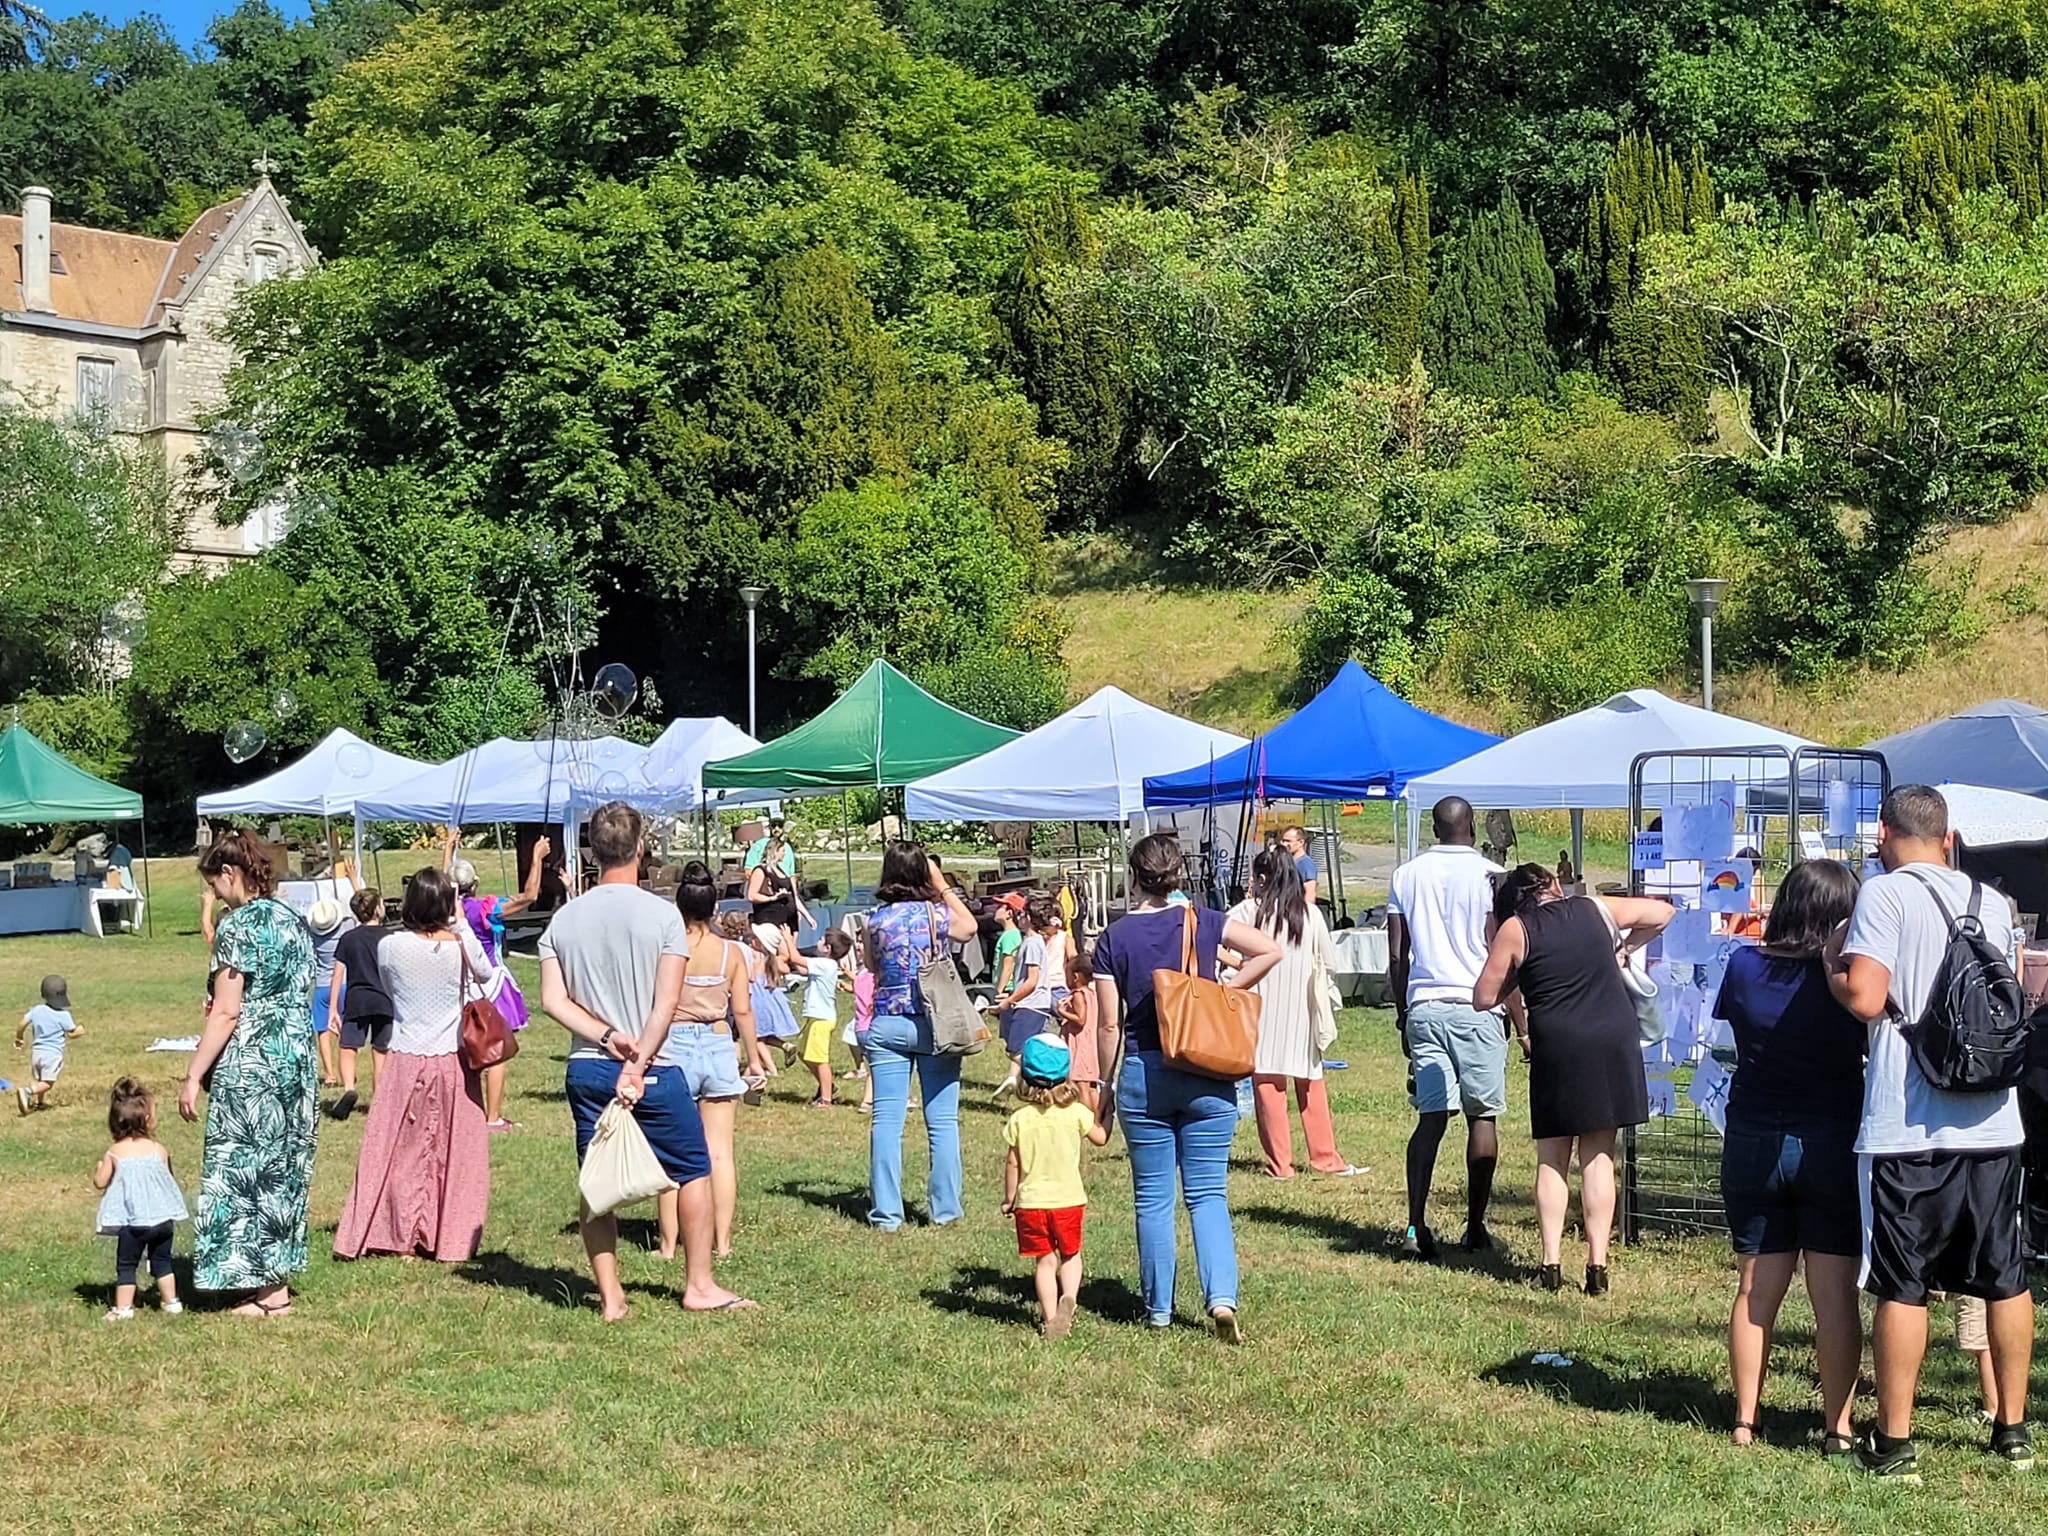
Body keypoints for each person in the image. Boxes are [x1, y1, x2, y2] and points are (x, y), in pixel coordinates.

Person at [1826, 784, 2034, 1478]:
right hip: (1993, 1120)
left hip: (1910, 1121)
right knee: (2004, 1277)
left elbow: (1866, 997)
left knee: (1902, 1283)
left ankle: (1895, 1441)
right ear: (1948, 838)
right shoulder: (1990, 903)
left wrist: (1834, 971)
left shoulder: (1883, 895)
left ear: (1883, 834)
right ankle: (2013, 1428)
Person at [538, 801, 751, 1320]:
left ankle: (611, 1299)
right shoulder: (662, 917)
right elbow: (665, 1003)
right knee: (693, 1169)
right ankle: (698, 1283)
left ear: (592, 850)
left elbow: (553, 1000)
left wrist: (605, 1034)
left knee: (597, 1180)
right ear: (640, 849)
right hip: (656, 1066)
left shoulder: (563, 919)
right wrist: (636, 1062)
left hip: (587, 1065)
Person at [1092, 833, 1281, 1341]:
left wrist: (1103, 1089)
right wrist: (1223, 989)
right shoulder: (1207, 921)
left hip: (1142, 1073)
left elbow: (1109, 1026)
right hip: (1205, 1068)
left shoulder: (1114, 938)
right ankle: (1220, 1298)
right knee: (1208, 1196)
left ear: (1134, 876)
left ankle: (1157, 1310)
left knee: (1152, 1199)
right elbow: (1269, 951)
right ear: (1180, 874)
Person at [1711, 857, 1866, 1455]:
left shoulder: (1744, 964)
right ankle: (1838, 1426)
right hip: (1830, 1136)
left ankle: (1745, 1419)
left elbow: (1734, 1025)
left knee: (1755, 1290)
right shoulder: (1847, 979)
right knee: (1834, 1296)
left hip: (1752, 1134)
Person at [1473, 864, 1672, 1295]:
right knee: (1599, 1157)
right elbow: (1662, 913)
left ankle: (1551, 1262)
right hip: (1612, 1037)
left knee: (1553, 1157)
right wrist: (1623, 949)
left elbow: (1484, 996)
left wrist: (1518, 972)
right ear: (1554, 887)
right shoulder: (1595, 909)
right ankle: (1597, 1264)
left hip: (1559, 1042)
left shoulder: (1515, 929)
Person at [179, 830, 318, 1318]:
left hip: (253, 1061)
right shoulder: (292, 919)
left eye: (215, 885)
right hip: (297, 1058)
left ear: (230, 874)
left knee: (244, 1169)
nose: (215, 895)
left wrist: (193, 1074)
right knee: (284, 1169)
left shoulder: (238, 928)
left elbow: (226, 1012)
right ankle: (273, 1285)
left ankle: (261, 1285)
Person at [332, 866, 494, 1263]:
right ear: (446, 903)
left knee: (397, 1149)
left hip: (404, 1053)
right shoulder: (459, 946)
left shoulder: (391, 946)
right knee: (452, 1152)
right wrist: (461, 925)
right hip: (451, 1057)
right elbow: (486, 973)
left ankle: (394, 1231)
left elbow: (391, 986)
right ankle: (448, 1236)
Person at [1387, 797, 1508, 1259]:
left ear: (1435, 828)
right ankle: (1475, 1226)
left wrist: (1403, 1012)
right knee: (1482, 1117)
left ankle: (1416, 1225)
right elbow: (1498, 947)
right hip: (1477, 1005)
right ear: (1472, 825)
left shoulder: (1407, 874)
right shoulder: (1488, 876)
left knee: (1431, 1118)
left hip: (1425, 1004)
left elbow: (1399, 953)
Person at [864, 840, 980, 1232]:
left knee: (886, 1121)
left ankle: (887, 1213)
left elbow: (870, 964)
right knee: (942, 1121)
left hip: (888, 1022)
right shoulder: (937, 915)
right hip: (936, 1024)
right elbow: (971, 927)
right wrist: (940, 881)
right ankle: (945, 1210)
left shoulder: (876, 920)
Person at [655, 861, 769, 1260]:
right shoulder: (732, 953)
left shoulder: (669, 948)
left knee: (670, 1150)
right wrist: (754, 1060)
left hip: (674, 1045)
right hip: (719, 1043)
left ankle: (669, 1244)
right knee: (720, 1152)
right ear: (715, 907)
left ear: (679, 907)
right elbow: (744, 1011)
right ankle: (722, 1243)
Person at [1227, 850, 1357, 1181]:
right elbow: (1330, 963)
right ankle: (1325, 1157)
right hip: (1302, 1012)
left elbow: (1214, 938)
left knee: (1269, 1086)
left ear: (1259, 880)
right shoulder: (1310, 914)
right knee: (1311, 1084)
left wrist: (1236, 967)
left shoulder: (1247, 912)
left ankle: (1280, 1165)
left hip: (1261, 1013)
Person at [1001, 1033, 1109, 1340]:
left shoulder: (1020, 1119)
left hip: (1031, 1203)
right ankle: (1070, 1300)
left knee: (1045, 1262)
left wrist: (1010, 1199)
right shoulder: (1075, 1113)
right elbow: (1101, 1138)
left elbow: (1013, 1164)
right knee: (1070, 1255)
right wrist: (1108, 1113)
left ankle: (1050, 1320)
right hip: (1068, 1200)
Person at [451, 838, 550, 1131]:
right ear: (476, 883)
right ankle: (492, 1117)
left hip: (459, 982)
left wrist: (448, 845)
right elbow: (529, 895)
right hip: (490, 982)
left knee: (465, 1048)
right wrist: (536, 858)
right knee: (495, 1048)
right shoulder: (485, 909)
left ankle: (467, 1112)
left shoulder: (445, 909)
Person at [93, 1077, 187, 1321]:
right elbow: (169, 1177)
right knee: (163, 1263)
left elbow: (100, 1182)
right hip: (163, 1219)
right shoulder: (158, 1149)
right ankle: (171, 1302)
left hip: (133, 1223)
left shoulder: (115, 1152)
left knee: (126, 1266)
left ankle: (123, 1308)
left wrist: (99, 1167)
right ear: (147, 1119)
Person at [326, 888, 392, 1120]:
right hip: (385, 999)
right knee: (381, 1051)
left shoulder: (348, 939)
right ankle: (380, 1100)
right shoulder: (389, 937)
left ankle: (348, 1089)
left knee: (348, 1046)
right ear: (377, 909)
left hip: (357, 999)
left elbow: (337, 974)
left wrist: (333, 1008)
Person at [993, 901, 1054, 1100]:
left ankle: (1050, 1079)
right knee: (1019, 1049)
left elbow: (1032, 981)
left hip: (1032, 1004)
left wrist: (1010, 1000)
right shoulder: (1028, 942)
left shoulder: (1033, 943)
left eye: (1022, 914)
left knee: (1016, 1050)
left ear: (1029, 917)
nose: (1019, 917)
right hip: (1026, 1002)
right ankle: (1031, 1084)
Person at [723, 910, 800, 1065]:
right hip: (767, 993)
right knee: (761, 1036)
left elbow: (749, 975)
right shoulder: (766, 956)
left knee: (755, 1036)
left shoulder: (740, 950)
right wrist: (785, 940)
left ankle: (770, 1068)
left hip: (752, 995)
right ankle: (784, 1045)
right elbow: (785, 965)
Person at [796, 930, 853, 1107]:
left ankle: (826, 1098)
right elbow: (800, 968)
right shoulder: (822, 964)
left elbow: (794, 958)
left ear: (827, 948)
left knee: (820, 1059)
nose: (818, 942)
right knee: (803, 1053)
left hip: (821, 1019)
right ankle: (827, 1086)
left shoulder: (826, 964)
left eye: (821, 940)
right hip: (815, 1017)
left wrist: (788, 939)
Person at [15, 972, 82, 1114]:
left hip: (36, 1053)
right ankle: (27, 1091)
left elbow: (22, 1023)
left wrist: (19, 1038)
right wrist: (80, 1031)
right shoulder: (64, 1015)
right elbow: (71, 1033)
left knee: (39, 1078)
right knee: (47, 1083)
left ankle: (39, 1103)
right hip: (52, 1054)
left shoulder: (37, 1010)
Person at [306, 897, 353, 1088]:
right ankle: (348, 1071)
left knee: (322, 1030)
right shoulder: (345, 928)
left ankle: (330, 1075)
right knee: (345, 1029)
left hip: (322, 985)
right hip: (343, 982)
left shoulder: (313, 934)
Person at [745, 834, 808, 975]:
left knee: (788, 953)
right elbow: (752, 895)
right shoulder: (761, 870)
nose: (785, 853)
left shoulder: (780, 869)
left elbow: (792, 894)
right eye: (782, 850)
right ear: (775, 851)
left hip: (786, 920)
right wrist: (772, 898)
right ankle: (772, 973)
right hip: (770, 919)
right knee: (784, 954)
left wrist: (805, 915)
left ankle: (783, 974)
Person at [1055, 949, 1100, 1115]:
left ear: (1075, 977)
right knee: (1091, 1086)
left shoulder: (1078, 994)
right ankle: (1097, 1118)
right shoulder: (1092, 994)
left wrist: (1062, 1012)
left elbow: (1080, 1019)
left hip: (1080, 1045)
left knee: (1082, 1086)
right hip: (1091, 1042)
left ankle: (1088, 1121)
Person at [1279, 825, 1319, 908]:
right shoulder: (1287, 862)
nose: (1284, 844)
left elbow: (1310, 893)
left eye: (1288, 841)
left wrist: (1305, 914)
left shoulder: (1305, 864)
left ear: (1301, 842)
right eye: (1283, 841)